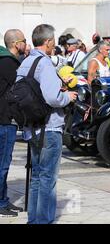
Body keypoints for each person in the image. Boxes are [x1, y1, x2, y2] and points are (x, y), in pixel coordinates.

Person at [16, 24, 77, 224]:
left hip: (32, 127)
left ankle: (33, 219)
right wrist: (67, 96)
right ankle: (44, 221)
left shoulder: (26, 62)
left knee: (36, 176)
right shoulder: (45, 63)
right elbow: (52, 98)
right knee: (48, 179)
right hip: (49, 127)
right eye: (53, 41)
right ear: (49, 41)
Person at [0, 29, 27, 217]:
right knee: (2, 164)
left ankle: (3, 200)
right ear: (16, 44)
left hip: (4, 119)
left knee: (3, 163)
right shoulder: (9, 63)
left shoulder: (4, 61)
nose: (26, 44)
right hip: (4, 120)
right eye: (24, 41)